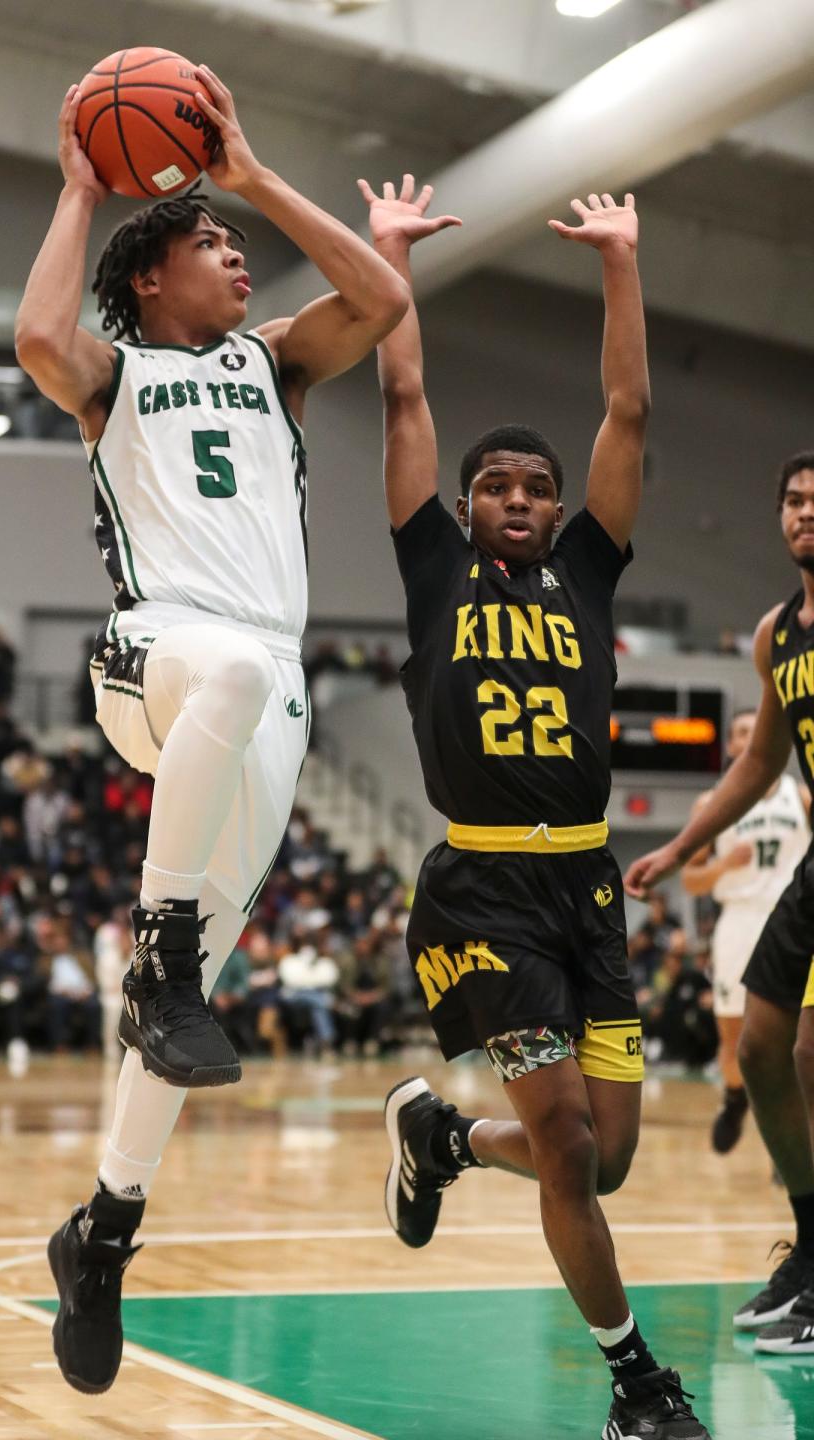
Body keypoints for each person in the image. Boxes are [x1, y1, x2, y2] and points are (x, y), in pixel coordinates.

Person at [14, 69, 407, 1394]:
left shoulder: (274, 360)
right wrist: (80, 190)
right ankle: (159, 952)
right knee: (228, 673)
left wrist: (249, 175)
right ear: (148, 281)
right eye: (212, 242)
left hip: (264, 697)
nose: (238, 256)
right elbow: (33, 336)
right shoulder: (110, 371)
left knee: (188, 1026)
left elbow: (385, 302)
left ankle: (104, 1229)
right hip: (154, 658)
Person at [364, 173, 709, 1438]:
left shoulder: (589, 574)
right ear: (466, 504)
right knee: (567, 1141)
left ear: (559, 508)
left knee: (603, 1156)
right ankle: (637, 1385)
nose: (518, 499)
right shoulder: (431, 567)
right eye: (497, 485)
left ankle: (445, 1143)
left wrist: (622, 257)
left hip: (588, 885)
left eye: (536, 488)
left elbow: (628, 405)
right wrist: (389, 254)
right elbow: (402, 393)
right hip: (484, 887)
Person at [626, 451, 814, 1359]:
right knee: (768, 1049)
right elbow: (758, 762)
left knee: (809, 1057)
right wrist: (678, 845)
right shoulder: (777, 632)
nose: (804, 513)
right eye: (793, 500)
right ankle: (812, 1254)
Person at [680, 709, 809, 1153]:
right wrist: (721, 865)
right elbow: (689, 880)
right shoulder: (710, 804)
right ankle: (735, 1099)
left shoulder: (801, 797)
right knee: (735, 1041)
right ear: (732, 745)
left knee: (798, 1042)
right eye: (740, 731)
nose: (750, 736)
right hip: (738, 921)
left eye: (758, 727)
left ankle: (791, 1144)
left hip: (793, 921)